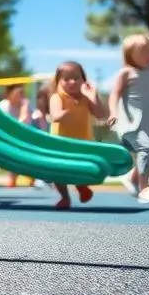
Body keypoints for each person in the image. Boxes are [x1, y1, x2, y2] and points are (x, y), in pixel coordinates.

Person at [109, 33, 149, 204]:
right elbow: (115, 94)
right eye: (143, 51)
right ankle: (144, 189)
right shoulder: (126, 73)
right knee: (147, 149)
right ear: (130, 53)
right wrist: (113, 112)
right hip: (131, 121)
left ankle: (132, 178)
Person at [48, 61, 110, 210]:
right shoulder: (57, 97)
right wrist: (63, 114)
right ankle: (65, 197)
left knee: (82, 168)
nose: (72, 82)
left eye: (77, 78)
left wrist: (93, 96)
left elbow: (101, 115)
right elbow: (55, 115)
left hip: (82, 142)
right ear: (58, 81)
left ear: (84, 80)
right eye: (67, 78)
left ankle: (81, 186)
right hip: (61, 142)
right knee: (58, 172)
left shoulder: (86, 98)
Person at [0, 83, 32, 188]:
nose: (22, 96)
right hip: (6, 137)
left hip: (22, 138)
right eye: (19, 93)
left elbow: (25, 125)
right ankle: (13, 177)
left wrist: (25, 106)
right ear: (10, 94)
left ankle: (30, 176)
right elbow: (15, 127)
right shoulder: (3, 106)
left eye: (23, 93)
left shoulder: (26, 105)